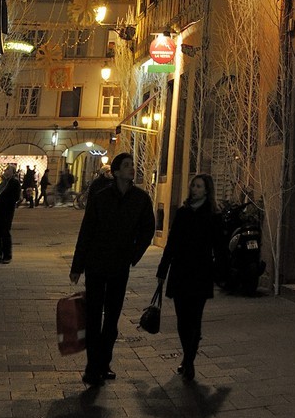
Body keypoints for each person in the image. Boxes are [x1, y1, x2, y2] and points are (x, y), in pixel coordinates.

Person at [69, 151, 155, 387]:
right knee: (94, 316)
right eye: (126, 165)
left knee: (112, 318)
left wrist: (133, 255)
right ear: (116, 172)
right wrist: (77, 266)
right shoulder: (101, 197)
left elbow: (148, 229)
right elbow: (86, 231)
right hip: (96, 264)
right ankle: (92, 367)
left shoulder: (140, 199)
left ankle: (104, 363)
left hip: (119, 266)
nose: (131, 168)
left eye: (132, 165)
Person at [155, 172, 225, 381]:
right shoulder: (183, 213)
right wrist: (162, 270)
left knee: (195, 319)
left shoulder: (213, 215)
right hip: (180, 271)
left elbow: (219, 246)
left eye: (199, 186)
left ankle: (189, 361)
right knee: (182, 319)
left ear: (207, 190)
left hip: (201, 272)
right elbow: (172, 243)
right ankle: (187, 355)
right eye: (193, 186)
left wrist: (219, 271)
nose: (195, 189)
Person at [0, 166, 21, 263]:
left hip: (6, 212)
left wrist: (6, 203)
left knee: (5, 233)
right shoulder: (3, 183)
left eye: (8, 170)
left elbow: (16, 197)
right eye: (5, 170)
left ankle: (7, 256)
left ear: (13, 172)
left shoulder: (14, 182)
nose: (5, 171)